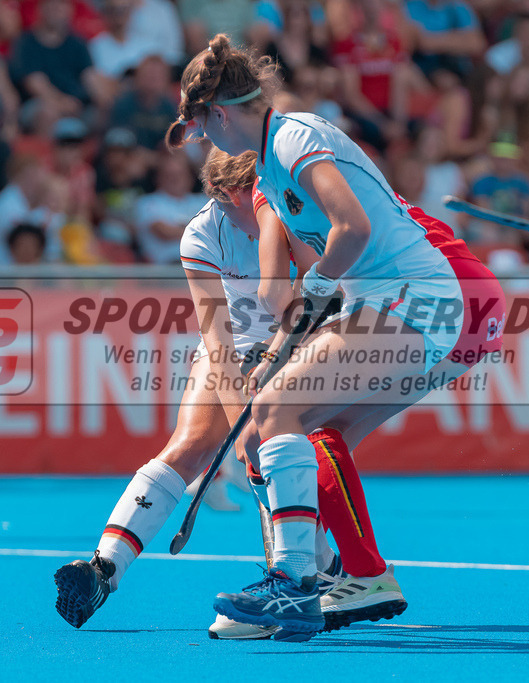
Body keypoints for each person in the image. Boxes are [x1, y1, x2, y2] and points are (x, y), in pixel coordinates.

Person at [162, 35, 503, 640]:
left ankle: (294, 583)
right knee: (318, 429)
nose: (205, 143)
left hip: (411, 298)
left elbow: (354, 225)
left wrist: (319, 282)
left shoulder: (293, 137)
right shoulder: (269, 160)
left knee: (273, 407)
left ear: (219, 113)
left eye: (202, 127)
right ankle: (357, 578)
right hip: (391, 301)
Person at [52, 147, 409, 639]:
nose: (265, 202)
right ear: (223, 195)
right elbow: (218, 344)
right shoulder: (201, 233)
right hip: (237, 348)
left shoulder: (293, 210)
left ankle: (314, 569)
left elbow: (328, 297)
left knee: (280, 443)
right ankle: (103, 569)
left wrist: (266, 405)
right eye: (252, 196)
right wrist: (245, 417)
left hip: (309, 341)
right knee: (191, 444)